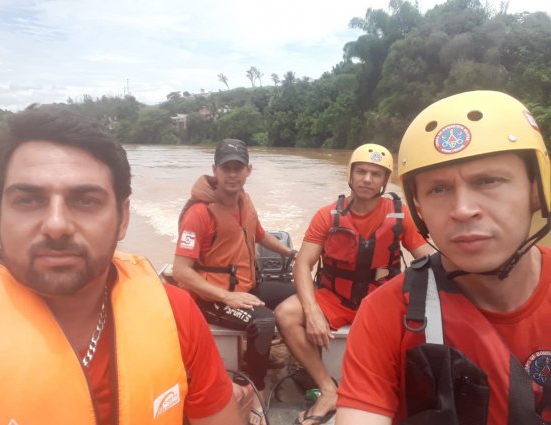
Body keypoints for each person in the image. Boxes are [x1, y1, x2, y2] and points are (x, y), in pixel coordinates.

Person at [0, 106, 242, 425]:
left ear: (123, 218)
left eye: (85, 200)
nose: (56, 225)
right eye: (28, 200)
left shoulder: (175, 313)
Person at [336, 90, 551, 425]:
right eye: (438, 189)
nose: (463, 210)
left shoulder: (395, 222)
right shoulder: (385, 313)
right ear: (419, 207)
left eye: (489, 180)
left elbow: (418, 251)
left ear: (536, 190)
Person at [274, 143, 432, 425]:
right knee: (285, 314)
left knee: (423, 327)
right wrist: (311, 312)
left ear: (385, 180)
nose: (367, 179)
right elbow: (303, 264)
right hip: (335, 296)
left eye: (376, 173)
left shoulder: (400, 214)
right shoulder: (327, 215)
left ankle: (397, 394)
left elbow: (427, 259)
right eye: (361, 171)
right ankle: (327, 389)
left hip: (382, 298)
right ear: (350, 174)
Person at [172, 138, 297, 425]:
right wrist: (228, 297)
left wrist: (293, 254)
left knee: (302, 290)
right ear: (214, 170)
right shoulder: (198, 213)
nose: (232, 174)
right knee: (263, 321)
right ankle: (255, 389)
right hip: (209, 297)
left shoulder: (245, 199)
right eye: (226, 167)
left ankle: (282, 351)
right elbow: (180, 271)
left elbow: (261, 235)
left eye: (238, 167)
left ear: (248, 170)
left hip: (245, 286)